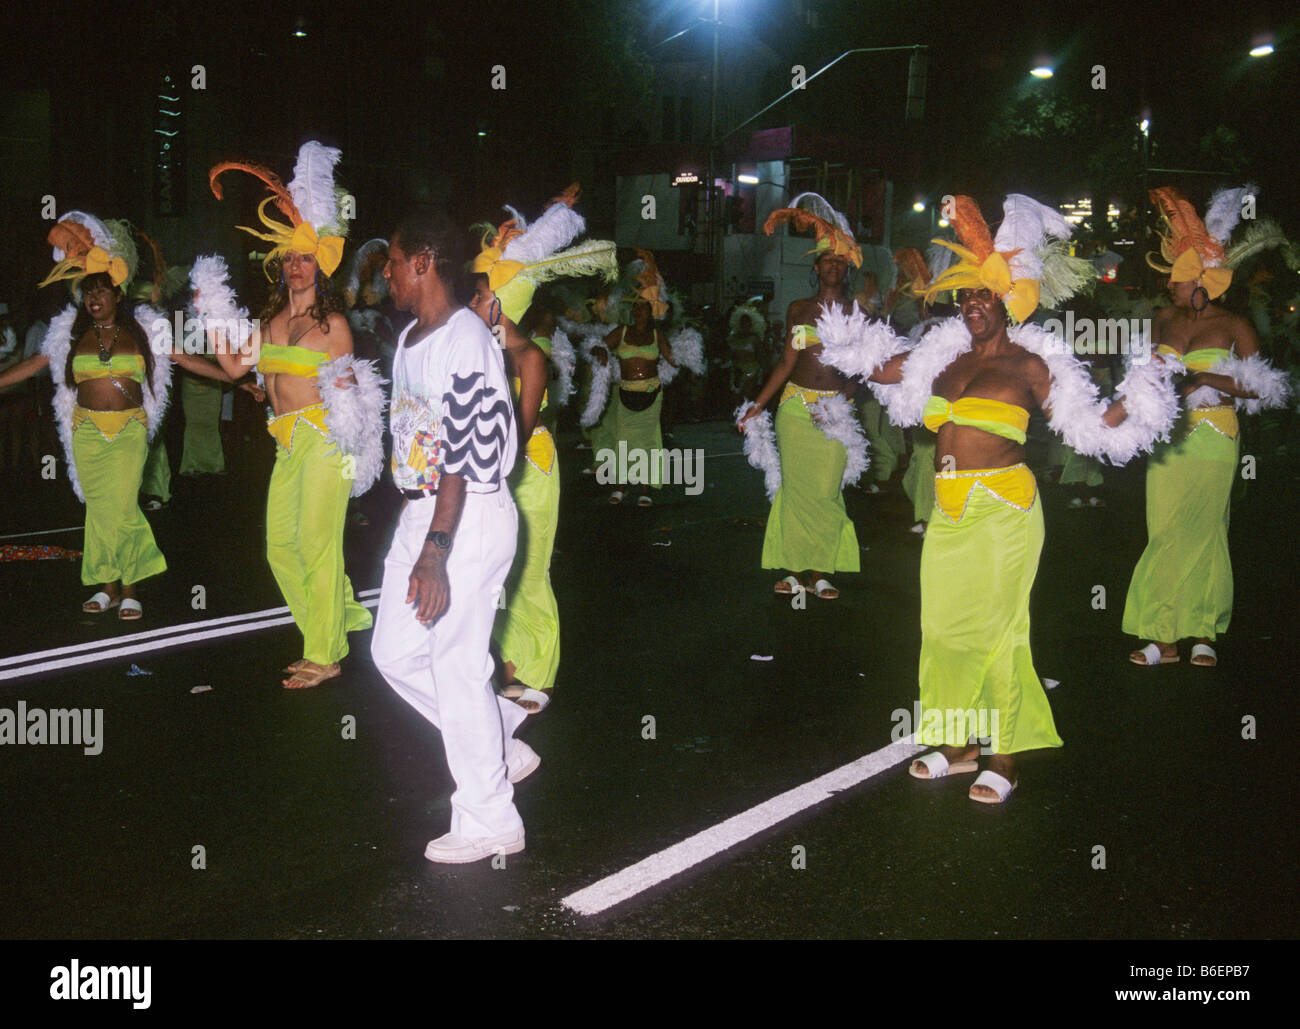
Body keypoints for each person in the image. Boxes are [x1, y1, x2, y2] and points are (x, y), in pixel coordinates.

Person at [816, 193, 1180, 802]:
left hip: (1006, 509)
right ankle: (957, 745)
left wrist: (1147, 388)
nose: (974, 304)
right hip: (949, 509)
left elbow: (1090, 427)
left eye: (985, 294)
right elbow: (873, 366)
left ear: (1008, 297)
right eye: (967, 294)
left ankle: (1005, 755)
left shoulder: (1032, 364)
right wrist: (839, 305)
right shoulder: (944, 358)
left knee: (1003, 628)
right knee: (943, 627)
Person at [370, 210, 533, 864]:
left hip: (465, 516)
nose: (384, 273)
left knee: (456, 665)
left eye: (393, 261)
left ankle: (491, 818)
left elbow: (463, 453)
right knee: (393, 651)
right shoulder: (413, 335)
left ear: (424, 262)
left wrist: (436, 550)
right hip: (425, 512)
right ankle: (502, 733)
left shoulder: (467, 337)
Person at [199, 141, 384, 688]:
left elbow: (353, 399)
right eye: (289, 258)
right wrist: (211, 309)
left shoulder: (334, 328)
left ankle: (325, 653)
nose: (295, 267)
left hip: (326, 440)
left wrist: (355, 450)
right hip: (285, 441)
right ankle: (339, 616)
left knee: (316, 543)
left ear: (319, 264)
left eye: (305, 257)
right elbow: (235, 369)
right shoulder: (272, 318)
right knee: (279, 545)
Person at [0, 212, 230, 618]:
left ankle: (131, 588)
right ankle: (106, 587)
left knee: (123, 508)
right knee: (99, 509)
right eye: (87, 292)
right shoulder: (69, 332)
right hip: (85, 430)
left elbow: (185, 358)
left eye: (101, 291)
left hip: (128, 430)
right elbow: (32, 364)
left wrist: (234, 377)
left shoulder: (143, 329)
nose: (93, 299)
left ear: (118, 294)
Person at [1123, 186, 1292, 668]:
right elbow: (1142, 374)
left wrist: (1203, 376)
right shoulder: (1162, 318)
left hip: (1216, 435)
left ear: (1201, 282)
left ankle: (1202, 631)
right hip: (1168, 439)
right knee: (1164, 531)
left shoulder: (1235, 325)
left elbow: (1263, 388)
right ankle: (1162, 636)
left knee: (1205, 531)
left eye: (1176, 280)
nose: (1169, 288)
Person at [468, 189, 617, 715]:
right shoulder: (471, 346)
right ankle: (507, 665)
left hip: (527, 464)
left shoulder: (526, 355)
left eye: (483, 296)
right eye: (474, 294)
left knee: (527, 568)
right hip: (488, 469)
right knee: (494, 573)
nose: (473, 303)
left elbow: (518, 430)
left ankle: (535, 670)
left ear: (503, 304)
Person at [737, 193, 868, 600]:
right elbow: (785, 363)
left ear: (846, 267)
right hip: (793, 407)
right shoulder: (797, 309)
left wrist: (842, 399)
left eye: (840, 261)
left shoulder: (857, 312)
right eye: (827, 260)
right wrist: (758, 404)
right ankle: (794, 570)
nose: (833, 265)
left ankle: (821, 570)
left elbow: (862, 370)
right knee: (793, 489)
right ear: (816, 267)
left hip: (834, 411)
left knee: (826, 489)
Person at [594, 250, 678, 507]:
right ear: (631, 311)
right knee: (624, 439)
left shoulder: (657, 336)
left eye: (644, 309)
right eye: (636, 309)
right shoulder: (621, 331)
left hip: (652, 392)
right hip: (626, 391)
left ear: (651, 312)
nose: (640, 313)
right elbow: (597, 344)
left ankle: (645, 488)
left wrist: (685, 348)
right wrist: (600, 353)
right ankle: (621, 485)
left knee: (649, 440)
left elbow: (674, 360)